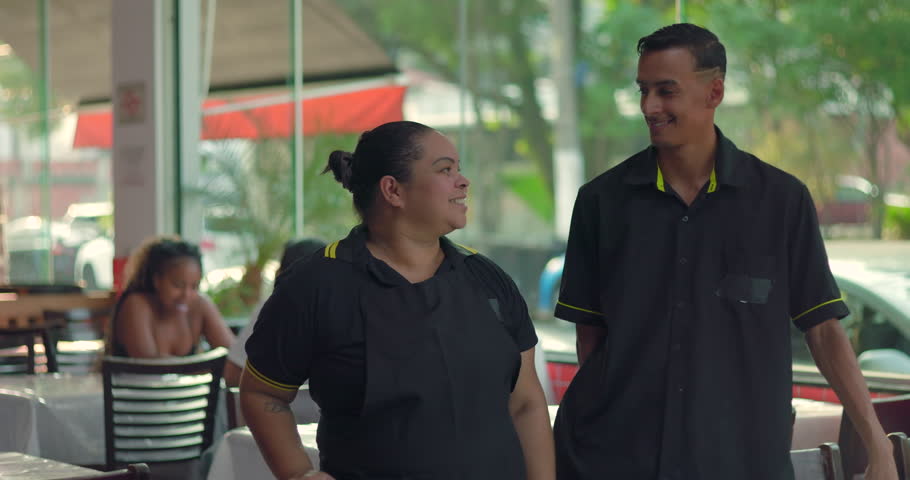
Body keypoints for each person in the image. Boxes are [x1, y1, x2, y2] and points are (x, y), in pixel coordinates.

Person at [552, 23, 898, 480]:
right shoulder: (601, 202)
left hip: (739, 459)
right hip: (614, 457)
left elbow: (824, 330)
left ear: (714, 92)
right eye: (643, 90)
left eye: (666, 91)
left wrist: (877, 444)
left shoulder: (781, 200)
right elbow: (590, 338)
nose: (649, 107)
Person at [240, 121, 555, 480]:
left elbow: (527, 404)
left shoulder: (488, 280)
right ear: (393, 190)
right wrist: (298, 473)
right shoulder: (316, 285)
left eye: (459, 169)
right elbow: (261, 394)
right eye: (445, 170)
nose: (463, 181)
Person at [106, 235, 234, 358]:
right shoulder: (136, 304)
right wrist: (203, 367)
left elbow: (233, 355)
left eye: (194, 286)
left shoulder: (200, 304)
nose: (186, 295)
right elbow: (147, 365)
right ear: (157, 281)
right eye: (178, 285)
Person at [223, 238, 327, 387]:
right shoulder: (345, 314)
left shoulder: (273, 307)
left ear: (281, 274)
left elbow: (232, 374)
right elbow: (232, 373)